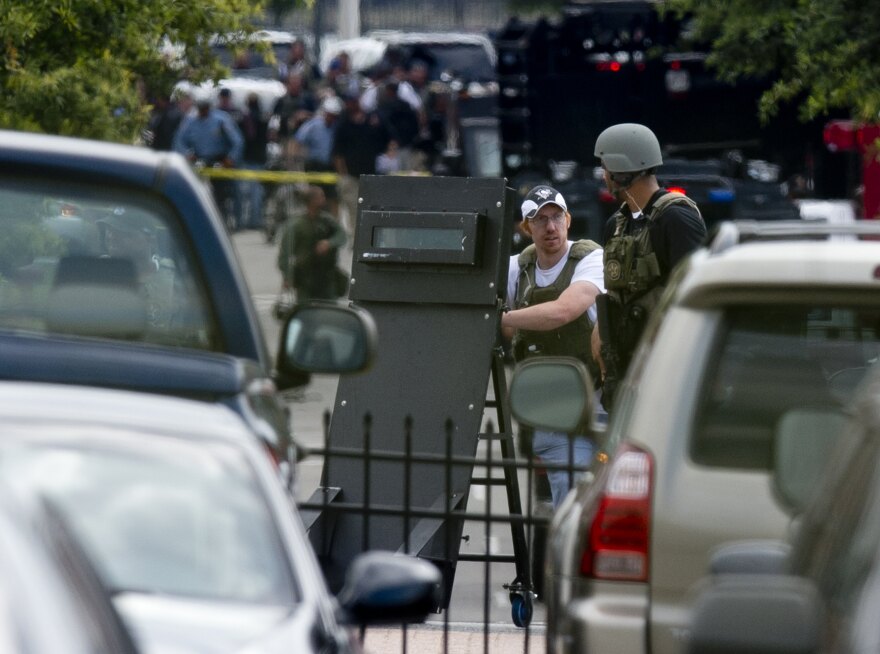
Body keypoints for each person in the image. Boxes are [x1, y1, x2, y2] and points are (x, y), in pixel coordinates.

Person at [501, 185, 605, 509]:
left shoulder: (590, 257)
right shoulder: (516, 268)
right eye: (540, 219)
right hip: (550, 407)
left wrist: (506, 318)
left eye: (557, 217)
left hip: (600, 402)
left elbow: (564, 311)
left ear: (568, 220)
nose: (550, 227)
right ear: (525, 227)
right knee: (570, 496)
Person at [591, 123, 707, 408]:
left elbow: (698, 296)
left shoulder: (676, 220)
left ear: (620, 169)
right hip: (625, 371)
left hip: (668, 371)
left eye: (605, 165)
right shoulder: (616, 225)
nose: (603, 174)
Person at [96, 210, 180, 331]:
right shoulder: (96, 271)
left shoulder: (174, 280)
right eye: (109, 229)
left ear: (150, 239)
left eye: (123, 232)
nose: (111, 237)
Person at [172, 95, 243, 230]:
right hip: (200, 160)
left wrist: (231, 158)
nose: (202, 112)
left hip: (220, 161)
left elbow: (237, 141)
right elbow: (179, 141)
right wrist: (187, 154)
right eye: (200, 109)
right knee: (198, 193)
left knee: (223, 195)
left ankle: (226, 223)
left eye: (205, 109)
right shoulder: (190, 120)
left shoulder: (221, 119)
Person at [331, 92, 390, 235]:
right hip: (350, 175)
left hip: (370, 175)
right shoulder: (343, 125)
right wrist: (343, 175)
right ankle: (355, 238)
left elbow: (387, 141)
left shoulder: (372, 122)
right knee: (353, 208)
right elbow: (337, 153)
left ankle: (369, 236)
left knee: (371, 208)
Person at [276, 185, 347, 302]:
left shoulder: (327, 221)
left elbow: (342, 236)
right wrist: (287, 276)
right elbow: (285, 253)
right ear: (312, 201)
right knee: (305, 310)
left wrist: (329, 243)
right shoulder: (296, 225)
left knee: (330, 308)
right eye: (321, 197)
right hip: (305, 277)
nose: (324, 199)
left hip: (326, 276)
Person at [237, 93, 270, 230]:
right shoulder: (263, 118)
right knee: (255, 193)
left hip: (249, 158)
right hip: (256, 158)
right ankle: (253, 221)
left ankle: (245, 222)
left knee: (246, 193)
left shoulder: (244, 118)